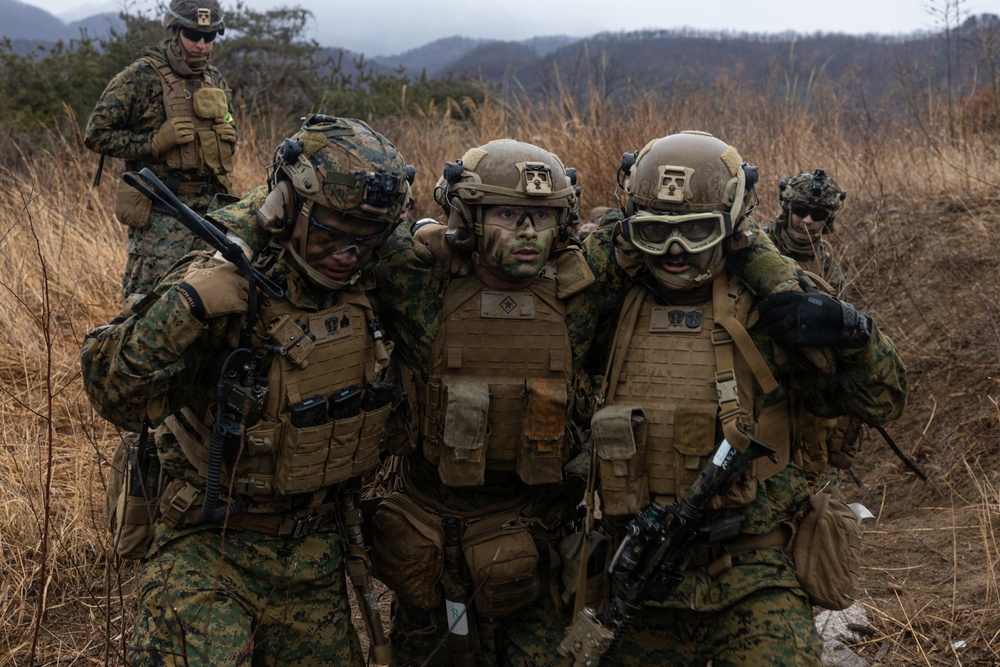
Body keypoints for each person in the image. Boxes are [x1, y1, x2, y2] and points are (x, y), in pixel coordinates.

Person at [80, 115, 413, 666]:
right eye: (330, 232)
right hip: (211, 543)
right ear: (287, 208)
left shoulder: (379, 280)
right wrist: (188, 304)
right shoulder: (225, 277)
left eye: (366, 238)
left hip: (315, 549)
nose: (346, 254)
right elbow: (109, 389)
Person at [568, 131, 907, 666]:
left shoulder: (773, 306)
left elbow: (883, 401)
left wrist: (855, 332)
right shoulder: (613, 310)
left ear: (732, 226)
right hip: (642, 578)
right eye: (658, 233)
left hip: (757, 573)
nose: (675, 253)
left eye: (697, 232)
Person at [367, 139, 600, 667]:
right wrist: (429, 230)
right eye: (507, 214)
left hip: (536, 545)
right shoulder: (418, 286)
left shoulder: (583, 293)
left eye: (542, 217)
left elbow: (663, 228)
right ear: (470, 218)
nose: (526, 233)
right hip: (434, 552)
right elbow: (326, 222)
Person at [85, 0, 238, 302]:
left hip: (212, 209)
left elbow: (229, 122)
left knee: (209, 304)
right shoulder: (141, 77)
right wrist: (153, 144)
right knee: (148, 305)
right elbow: (96, 134)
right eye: (194, 35)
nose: (202, 45)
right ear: (175, 30)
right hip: (162, 212)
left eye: (209, 38)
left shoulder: (214, 78)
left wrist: (231, 134)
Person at [769, 169, 861, 495]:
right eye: (800, 211)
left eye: (818, 214)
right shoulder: (759, 246)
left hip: (807, 381)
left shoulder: (827, 265)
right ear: (786, 209)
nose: (807, 221)